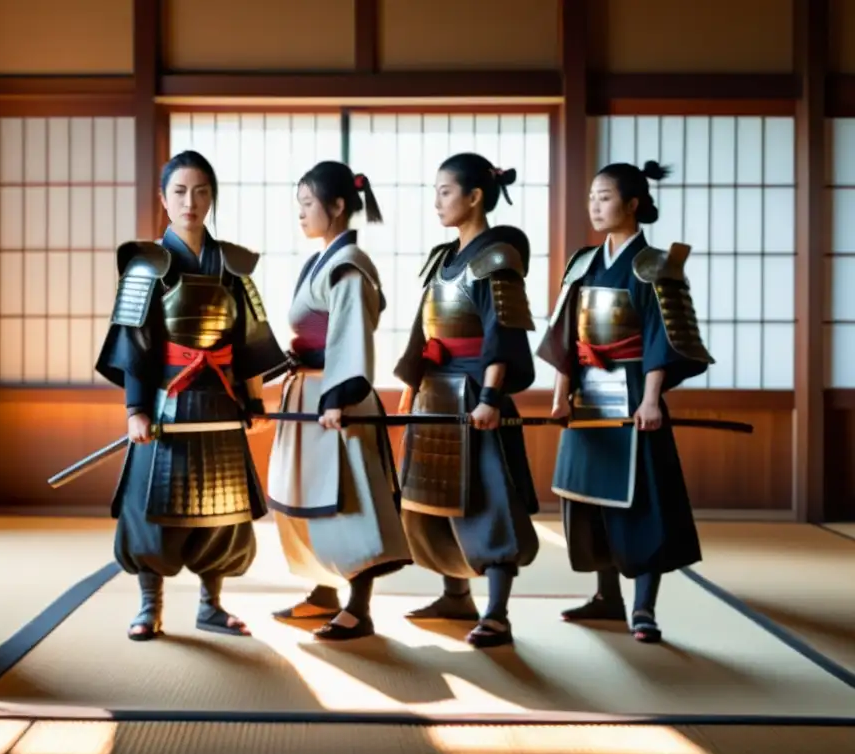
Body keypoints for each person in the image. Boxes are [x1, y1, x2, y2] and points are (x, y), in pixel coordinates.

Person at [95, 150, 286, 642]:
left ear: (212, 198)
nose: (191, 201)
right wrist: (135, 408)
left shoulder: (234, 265)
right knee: (149, 503)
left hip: (219, 402)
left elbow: (249, 341)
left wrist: (255, 401)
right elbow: (134, 341)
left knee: (220, 507)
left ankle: (211, 605)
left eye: (201, 192)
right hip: (165, 401)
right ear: (164, 200)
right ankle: (148, 605)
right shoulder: (146, 266)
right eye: (180, 192)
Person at [536, 159, 713, 644]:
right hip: (587, 390)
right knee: (591, 499)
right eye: (592, 196)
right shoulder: (583, 262)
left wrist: (652, 399)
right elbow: (563, 336)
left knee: (641, 502)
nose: (595, 205)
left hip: (635, 390)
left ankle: (644, 608)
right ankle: (605, 597)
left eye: (606, 197)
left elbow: (661, 336)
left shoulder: (655, 264)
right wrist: (560, 394)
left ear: (633, 203)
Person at [393, 153, 541, 649]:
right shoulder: (442, 258)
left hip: (476, 395)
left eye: (445, 191)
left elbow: (504, 333)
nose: (436, 201)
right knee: (431, 500)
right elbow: (423, 331)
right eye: (435, 191)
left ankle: (498, 613)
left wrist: (492, 398)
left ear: (475, 197)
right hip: (436, 392)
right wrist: (410, 389)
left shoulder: (496, 259)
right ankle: (456, 596)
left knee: (488, 501)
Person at [266, 161, 412, 641]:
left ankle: (359, 607)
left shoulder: (349, 265)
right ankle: (322, 592)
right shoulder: (325, 258)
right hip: (310, 393)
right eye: (300, 205)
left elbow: (350, 336)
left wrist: (340, 397)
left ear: (337, 206)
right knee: (306, 500)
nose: (302, 214)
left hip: (335, 401)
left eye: (308, 204)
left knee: (350, 503)